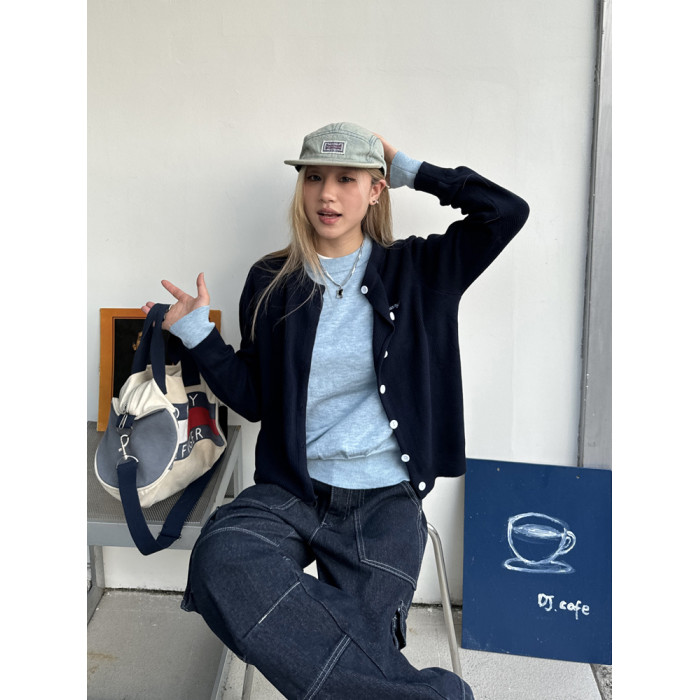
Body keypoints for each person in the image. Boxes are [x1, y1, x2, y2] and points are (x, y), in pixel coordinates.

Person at [142, 122, 529, 699]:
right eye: (314, 177)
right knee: (222, 559)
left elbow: (505, 212)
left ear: (376, 189)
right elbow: (255, 399)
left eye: (347, 179)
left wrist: (413, 170)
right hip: (293, 489)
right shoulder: (270, 280)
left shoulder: (421, 270)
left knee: (359, 633)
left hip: (385, 496)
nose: (326, 194)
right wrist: (200, 336)